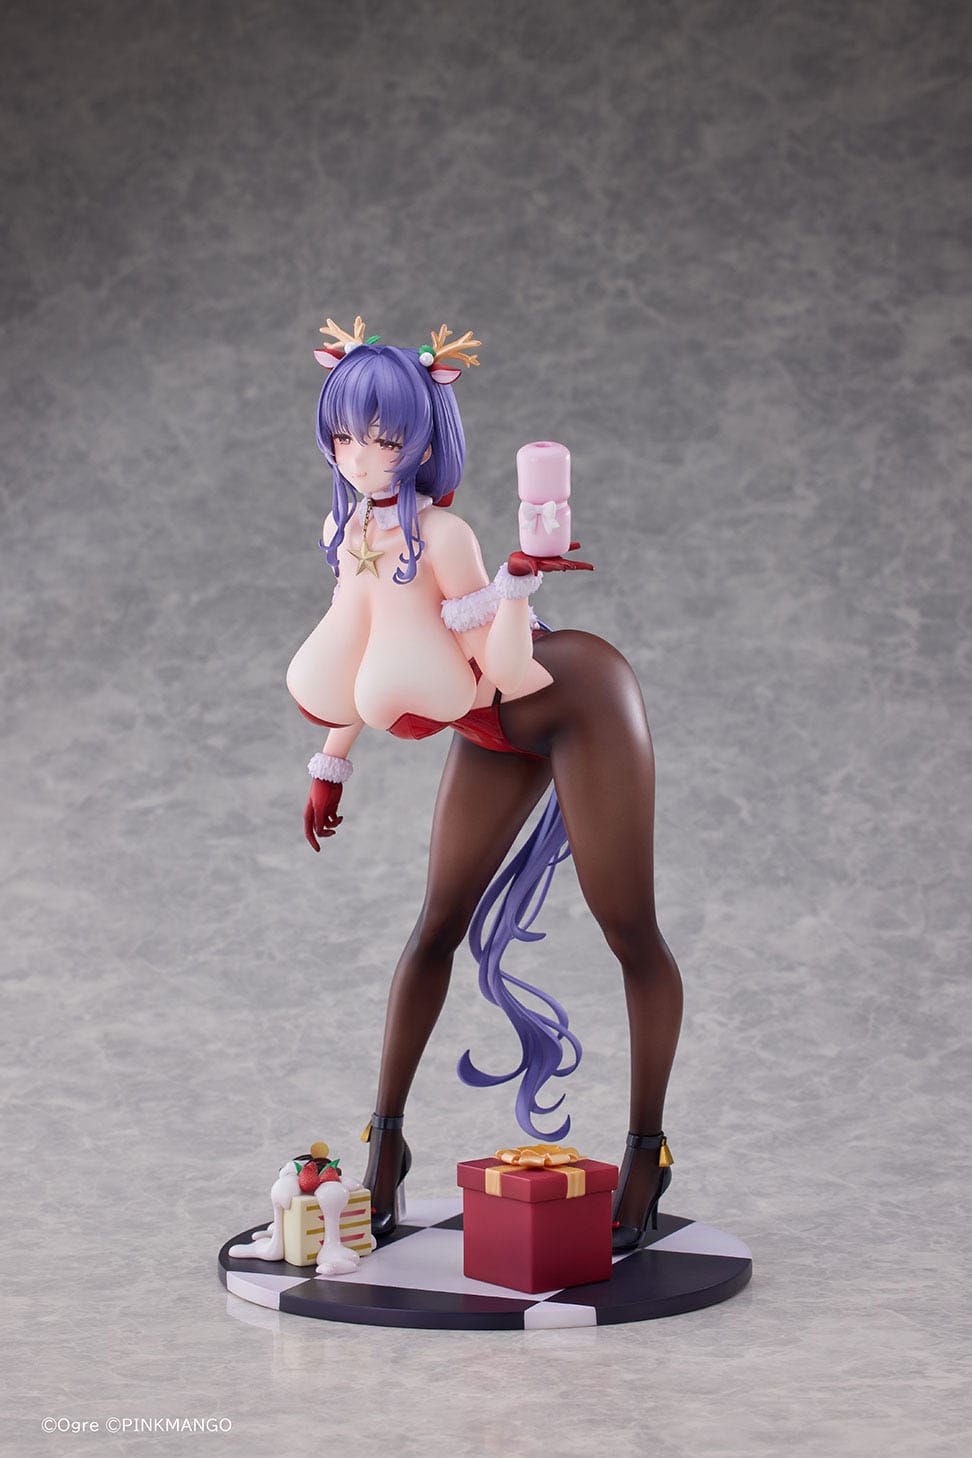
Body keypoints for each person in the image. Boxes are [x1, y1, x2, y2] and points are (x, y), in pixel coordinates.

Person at [286, 318, 683, 1251]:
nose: (362, 456)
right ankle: (385, 1145)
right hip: (490, 731)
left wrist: (514, 583)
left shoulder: (447, 535)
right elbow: (357, 645)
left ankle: (647, 1152)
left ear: (423, 440)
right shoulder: (348, 529)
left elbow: (500, 670)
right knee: (435, 924)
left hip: (570, 700)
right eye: (345, 436)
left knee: (627, 927)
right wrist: (331, 762)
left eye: (385, 439)